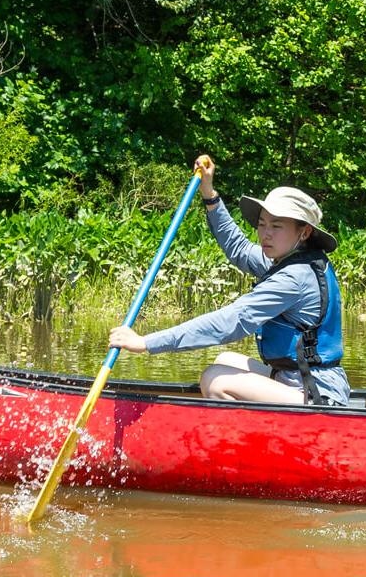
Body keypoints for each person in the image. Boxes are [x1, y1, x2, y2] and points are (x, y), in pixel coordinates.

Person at [108, 156, 350, 406]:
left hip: (317, 392)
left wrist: (145, 343)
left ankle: (247, 442)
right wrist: (210, 196)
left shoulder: (293, 278)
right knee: (225, 360)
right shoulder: (287, 260)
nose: (265, 234)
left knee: (215, 379)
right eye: (262, 224)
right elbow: (239, 248)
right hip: (293, 379)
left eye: (276, 226)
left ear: (305, 232)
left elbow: (230, 321)